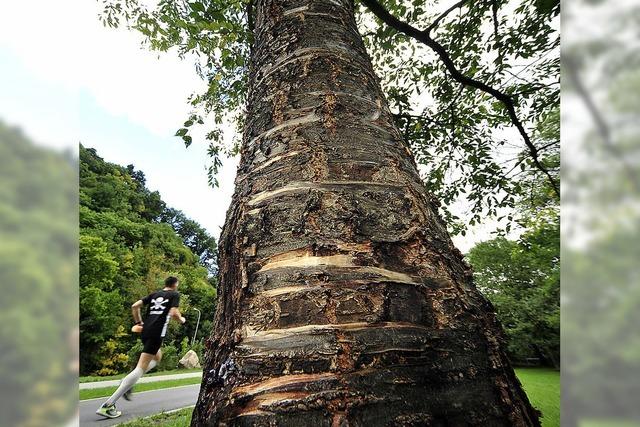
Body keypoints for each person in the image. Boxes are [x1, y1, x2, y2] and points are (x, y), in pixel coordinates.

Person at [96, 276, 186, 419]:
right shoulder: (174, 294)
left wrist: (139, 322)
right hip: (156, 334)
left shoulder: (154, 295)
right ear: (175, 285)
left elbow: (134, 306)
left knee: (157, 357)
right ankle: (108, 405)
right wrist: (182, 319)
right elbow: (174, 312)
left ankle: (128, 381)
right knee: (140, 368)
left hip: (145, 331)